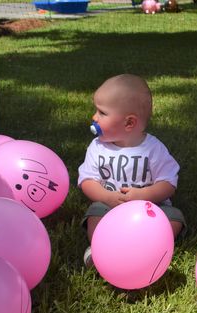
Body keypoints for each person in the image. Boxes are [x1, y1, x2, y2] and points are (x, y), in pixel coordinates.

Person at [78, 74, 186, 267]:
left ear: (129, 123)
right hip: (111, 207)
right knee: (95, 212)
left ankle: (152, 250)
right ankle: (99, 248)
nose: (94, 117)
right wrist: (106, 196)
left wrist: (145, 194)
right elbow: (87, 180)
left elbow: (169, 183)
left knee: (175, 217)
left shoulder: (154, 149)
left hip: (151, 210)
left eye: (102, 113)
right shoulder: (97, 147)